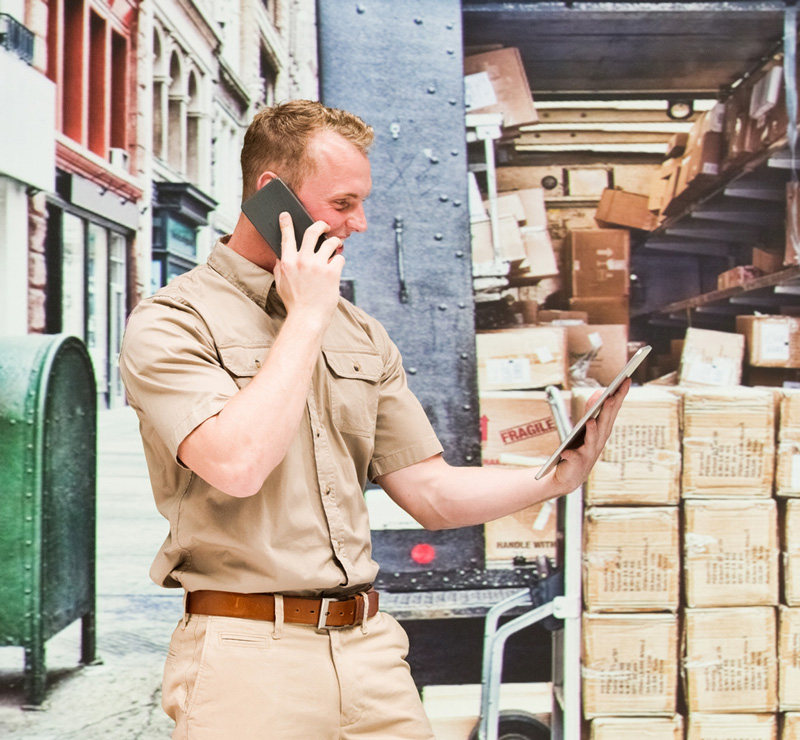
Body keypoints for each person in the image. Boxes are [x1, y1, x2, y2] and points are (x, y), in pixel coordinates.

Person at [119, 99, 629, 740]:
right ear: (272, 195)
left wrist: (552, 478)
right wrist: (305, 315)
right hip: (247, 657)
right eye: (342, 203)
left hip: (371, 652)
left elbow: (432, 493)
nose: (359, 222)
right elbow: (236, 463)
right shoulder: (172, 321)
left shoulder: (359, 333)